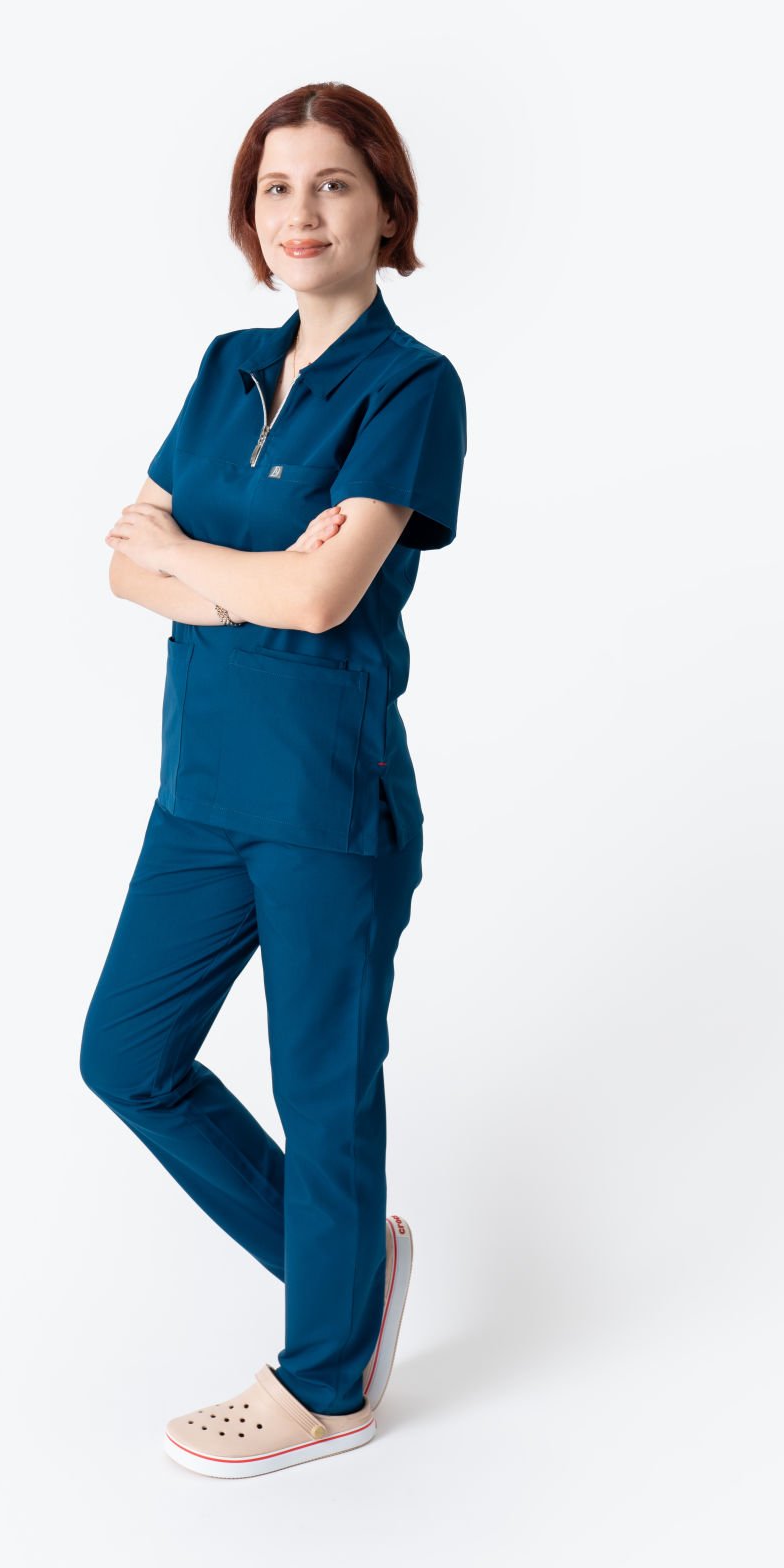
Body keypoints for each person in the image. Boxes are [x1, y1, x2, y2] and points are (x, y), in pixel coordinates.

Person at [80, 81, 468, 1478]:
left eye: (333, 184)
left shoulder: (411, 388)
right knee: (126, 1057)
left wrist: (199, 565)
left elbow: (321, 601)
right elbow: (122, 563)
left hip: (324, 801)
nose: (300, 213)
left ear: (385, 207)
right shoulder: (226, 365)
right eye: (275, 188)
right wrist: (244, 575)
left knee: (323, 1089)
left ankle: (327, 1382)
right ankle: (344, 1268)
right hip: (199, 793)